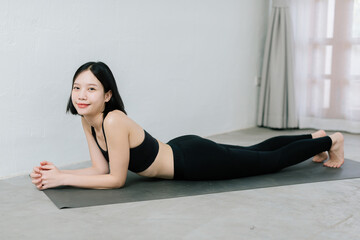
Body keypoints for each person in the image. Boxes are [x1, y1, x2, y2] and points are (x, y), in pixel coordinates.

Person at [30, 62, 345, 190]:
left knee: (268, 163)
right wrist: (57, 173)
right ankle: (313, 136)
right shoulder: (88, 120)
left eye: (91, 88)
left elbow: (115, 179)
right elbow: (100, 169)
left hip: (193, 161)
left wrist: (62, 179)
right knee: (254, 152)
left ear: (108, 94)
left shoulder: (113, 120)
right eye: (77, 87)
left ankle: (330, 141)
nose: (82, 95)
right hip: (182, 148)